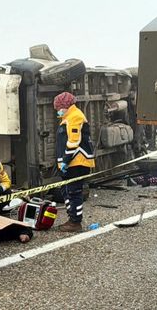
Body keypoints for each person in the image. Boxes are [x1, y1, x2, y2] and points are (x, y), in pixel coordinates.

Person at [53, 92, 95, 232]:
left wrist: (65, 161)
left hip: (77, 162)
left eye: (58, 107)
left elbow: (73, 142)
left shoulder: (74, 116)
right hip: (72, 163)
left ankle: (75, 222)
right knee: (66, 190)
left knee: (74, 192)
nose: (57, 110)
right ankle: (72, 218)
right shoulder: (68, 117)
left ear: (65, 106)